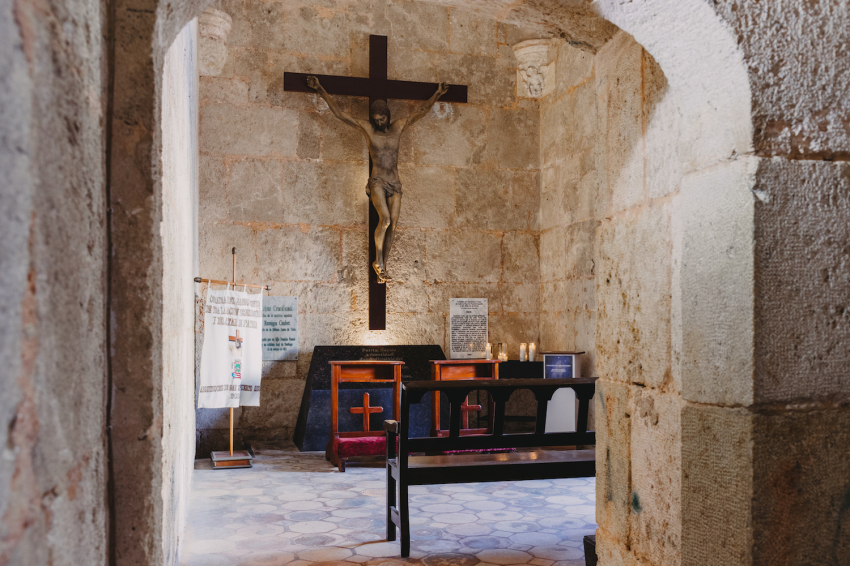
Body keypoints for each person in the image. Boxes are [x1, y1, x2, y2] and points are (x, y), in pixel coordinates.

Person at [306, 75, 449, 283]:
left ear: (388, 117)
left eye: (382, 119)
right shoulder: (368, 129)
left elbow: (420, 111)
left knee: (394, 224)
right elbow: (340, 114)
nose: (379, 122)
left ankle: (383, 267)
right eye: (376, 119)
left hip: (395, 183)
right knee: (386, 219)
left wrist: (437, 94)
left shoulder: (398, 127)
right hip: (377, 182)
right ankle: (378, 261)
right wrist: (320, 89)